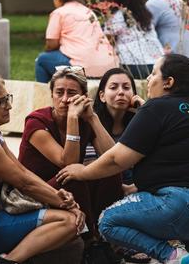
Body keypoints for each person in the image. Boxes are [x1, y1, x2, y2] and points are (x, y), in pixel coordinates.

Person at [56, 54, 189, 264]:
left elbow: (117, 160)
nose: (149, 80)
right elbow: (179, 167)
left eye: (153, 74)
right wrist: (135, 187)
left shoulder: (156, 107)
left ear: (168, 82)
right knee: (174, 205)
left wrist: (82, 171)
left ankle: (173, 257)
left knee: (107, 222)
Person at [0, 75, 85, 264]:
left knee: (69, 220)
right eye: (2, 102)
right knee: (68, 222)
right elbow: (24, 182)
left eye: (8, 98)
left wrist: (61, 197)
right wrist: (68, 206)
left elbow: (22, 171)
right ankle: (10, 260)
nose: (9, 106)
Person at [19, 66, 124, 242]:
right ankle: (91, 240)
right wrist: (73, 119)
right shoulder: (36, 122)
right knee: (73, 176)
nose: (65, 99)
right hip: (36, 194)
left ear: (84, 97)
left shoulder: (85, 121)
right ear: (51, 94)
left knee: (109, 173)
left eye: (72, 93)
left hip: (68, 192)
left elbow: (113, 158)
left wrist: (92, 118)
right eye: (59, 92)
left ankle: (108, 231)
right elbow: (66, 162)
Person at [90, 67, 150, 263]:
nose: (121, 92)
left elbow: (158, 158)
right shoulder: (92, 122)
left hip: (135, 182)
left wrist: (144, 109)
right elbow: (106, 160)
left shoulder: (140, 121)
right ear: (102, 95)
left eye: (126, 87)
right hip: (105, 181)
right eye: (113, 87)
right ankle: (119, 242)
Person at [35, 0, 118, 83]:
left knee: (42, 60)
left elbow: (51, 44)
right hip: (108, 65)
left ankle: (45, 97)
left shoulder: (59, 12)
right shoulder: (88, 11)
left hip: (83, 67)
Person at [105, 0, 164, 79]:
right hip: (156, 64)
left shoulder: (117, 17)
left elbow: (107, 41)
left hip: (131, 65)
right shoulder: (145, 16)